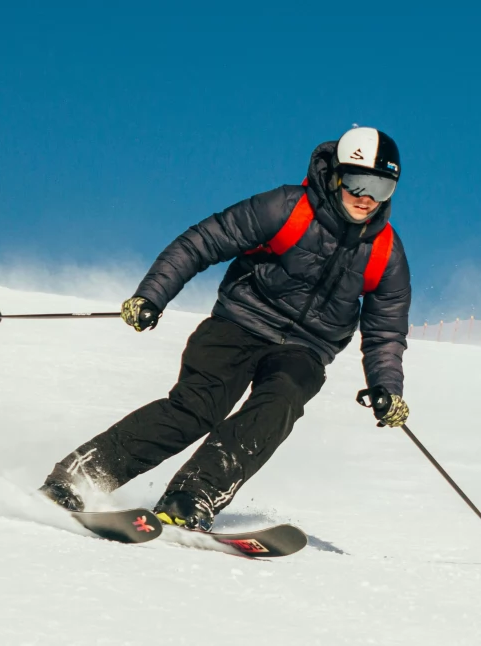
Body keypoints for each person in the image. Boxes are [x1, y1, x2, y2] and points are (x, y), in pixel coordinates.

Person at [39, 126, 413, 531]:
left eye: (381, 187)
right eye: (358, 182)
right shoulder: (286, 208)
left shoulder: (386, 253)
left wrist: (387, 387)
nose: (366, 198)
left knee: (278, 405)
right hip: (239, 321)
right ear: (337, 176)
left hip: (305, 349)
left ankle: (192, 497)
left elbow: (386, 332)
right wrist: (151, 296)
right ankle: (79, 478)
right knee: (196, 409)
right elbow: (201, 241)